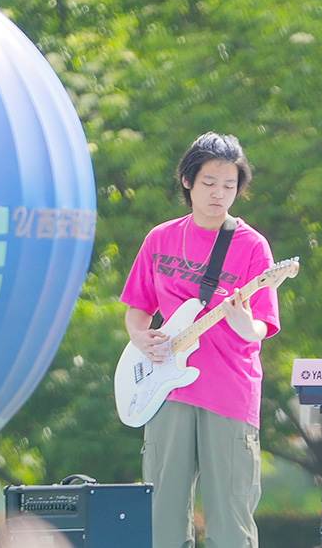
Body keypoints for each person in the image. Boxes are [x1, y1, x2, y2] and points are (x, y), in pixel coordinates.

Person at [121, 132, 282, 548]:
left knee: (230, 517)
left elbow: (262, 324)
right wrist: (140, 337)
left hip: (229, 391)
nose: (219, 193)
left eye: (229, 185)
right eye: (209, 182)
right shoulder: (160, 238)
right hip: (165, 389)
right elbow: (137, 308)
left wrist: (245, 326)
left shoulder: (252, 246)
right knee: (163, 516)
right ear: (188, 180)